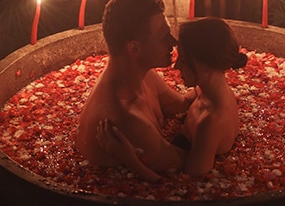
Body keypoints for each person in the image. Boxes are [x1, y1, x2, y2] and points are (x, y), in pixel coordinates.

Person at [97, 16, 247, 179]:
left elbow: (185, 186)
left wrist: (130, 159)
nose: (176, 66)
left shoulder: (209, 123)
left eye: (183, 60)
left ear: (204, 65)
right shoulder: (210, 91)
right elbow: (184, 101)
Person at [75, 0, 196, 181]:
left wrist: (210, 75)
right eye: (164, 36)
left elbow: (182, 105)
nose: (173, 42)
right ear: (134, 49)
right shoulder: (127, 121)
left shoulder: (146, 76)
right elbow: (190, 166)